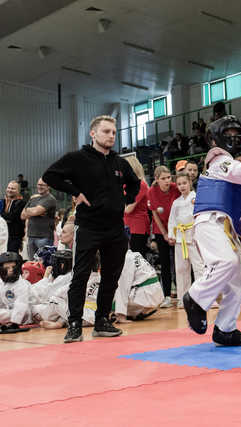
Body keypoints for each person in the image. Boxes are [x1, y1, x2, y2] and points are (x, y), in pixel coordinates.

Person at [43, 115, 140, 343]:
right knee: (81, 276)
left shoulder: (119, 162)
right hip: (88, 227)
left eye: (114, 133)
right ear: (93, 133)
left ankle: (102, 321)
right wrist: (75, 192)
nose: (111, 136)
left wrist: (125, 200)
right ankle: (75, 323)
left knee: (111, 277)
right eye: (106, 131)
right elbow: (50, 175)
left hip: (115, 229)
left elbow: (135, 183)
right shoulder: (78, 158)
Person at [182, 115, 241, 346]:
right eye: (229, 134)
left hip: (227, 228)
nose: (234, 138)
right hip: (210, 222)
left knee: (238, 283)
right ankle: (195, 298)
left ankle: (225, 329)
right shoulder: (219, 161)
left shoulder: (239, 166)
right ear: (214, 140)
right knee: (225, 262)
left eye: (237, 134)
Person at [167, 172, 204, 308]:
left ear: (190, 183)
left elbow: (200, 217)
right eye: (179, 184)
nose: (182, 186)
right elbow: (172, 221)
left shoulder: (196, 198)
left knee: (199, 268)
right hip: (180, 239)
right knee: (181, 270)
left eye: (184, 183)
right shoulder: (176, 203)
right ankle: (183, 299)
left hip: (194, 237)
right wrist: (171, 234)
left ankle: (202, 297)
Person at [147, 165, 180, 308]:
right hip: (161, 231)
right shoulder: (151, 192)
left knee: (181, 262)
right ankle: (166, 295)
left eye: (168, 178)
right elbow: (155, 215)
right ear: (157, 179)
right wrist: (165, 234)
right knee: (165, 263)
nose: (167, 181)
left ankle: (183, 292)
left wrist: (174, 233)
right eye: (163, 178)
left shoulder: (175, 188)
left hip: (178, 230)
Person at [113, 249, 164, 323]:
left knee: (111, 298)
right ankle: (140, 311)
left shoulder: (125, 260)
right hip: (154, 293)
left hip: (145, 295)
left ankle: (128, 313)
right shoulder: (134, 254)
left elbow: (123, 288)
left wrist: (121, 316)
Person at [30, 249, 73, 329]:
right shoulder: (66, 274)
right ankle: (60, 322)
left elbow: (45, 296)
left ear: (62, 264)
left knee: (30, 307)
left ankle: (58, 322)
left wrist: (46, 277)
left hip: (56, 308)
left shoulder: (64, 277)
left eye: (55, 262)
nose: (53, 264)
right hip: (65, 309)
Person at [21, 178, 57, 260]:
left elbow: (35, 211)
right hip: (31, 236)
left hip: (44, 237)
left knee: (44, 264)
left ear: (48, 187)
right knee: (32, 265)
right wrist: (34, 211)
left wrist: (31, 211)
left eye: (42, 185)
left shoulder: (50, 199)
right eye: (38, 184)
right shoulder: (33, 198)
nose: (39, 187)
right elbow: (22, 215)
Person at [123, 156, 150, 257]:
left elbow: (128, 209)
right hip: (125, 226)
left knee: (137, 260)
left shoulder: (140, 185)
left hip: (137, 227)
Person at [0, 252, 32, 332]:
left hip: (23, 314)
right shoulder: (1, 282)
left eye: (13, 267)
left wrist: (14, 323)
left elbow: (21, 305)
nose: (11, 270)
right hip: (8, 312)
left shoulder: (22, 284)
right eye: (7, 268)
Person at [1, 181, 26, 253]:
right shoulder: (2, 201)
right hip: (2, 235)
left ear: (18, 191)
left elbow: (12, 217)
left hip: (14, 237)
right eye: (8, 188)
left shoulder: (21, 203)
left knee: (11, 260)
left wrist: (2, 215)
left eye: (13, 188)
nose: (10, 190)